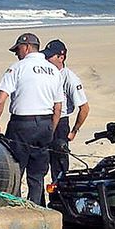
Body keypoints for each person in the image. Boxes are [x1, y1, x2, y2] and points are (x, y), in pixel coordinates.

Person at [0, 33, 63, 206]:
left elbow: (1, 99)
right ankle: (35, 208)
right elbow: (57, 107)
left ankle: (13, 207)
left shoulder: (18, 67)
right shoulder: (53, 70)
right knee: (37, 175)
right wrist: (50, 129)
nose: (16, 53)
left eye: (18, 49)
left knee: (15, 170)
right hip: (45, 124)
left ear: (27, 47)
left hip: (22, 124)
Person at [42, 39, 90, 180]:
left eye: (49, 56)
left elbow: (85, 108)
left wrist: (74, 131)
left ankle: (60, 198)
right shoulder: (47, 74)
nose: (46, 59)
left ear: (61, 58)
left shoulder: (70, 78)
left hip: (61, 124)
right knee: (41, 164)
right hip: (45, 121)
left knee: (59, 166)